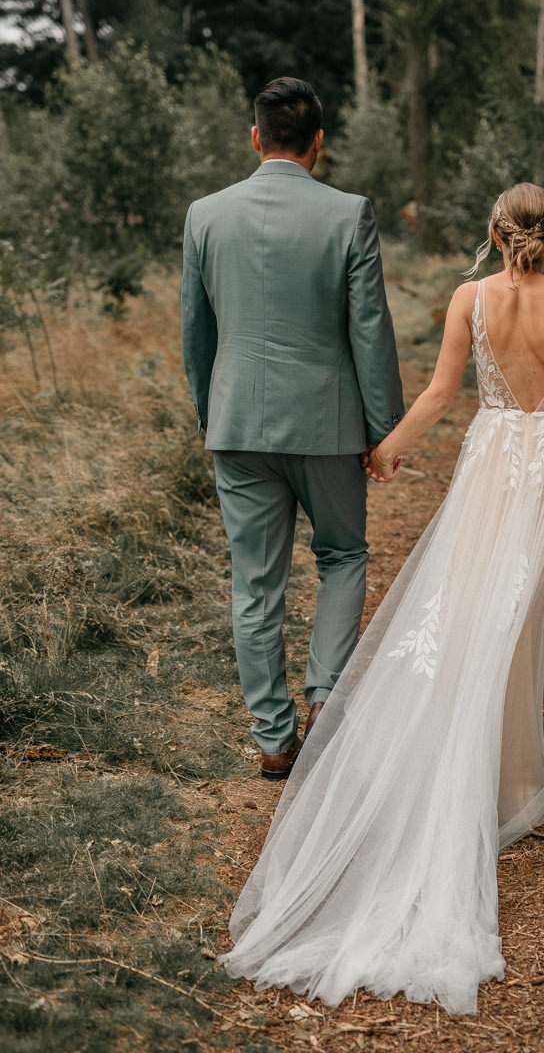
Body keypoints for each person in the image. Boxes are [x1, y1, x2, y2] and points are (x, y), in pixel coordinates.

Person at [217, 182, 544, 1013]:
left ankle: (502, 761)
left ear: (493, 232)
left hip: (492, 459)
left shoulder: (467, 298)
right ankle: (501, 773)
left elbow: (440, 396)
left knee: (475, 609)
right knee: (519, 620)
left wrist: (387, 451)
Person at [181, 76, 404, 781]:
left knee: (255, 583)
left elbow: (196, 332)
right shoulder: (350, 214)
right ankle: (327, 701)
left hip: (238, 424)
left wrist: (210, 414)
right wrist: (382, 429)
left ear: (255, 138)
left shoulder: (205, 215)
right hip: (330, 427)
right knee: (342, 557)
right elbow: (369, 329)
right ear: (319, 144)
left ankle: (273, 739)